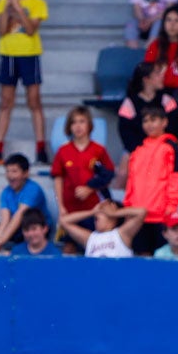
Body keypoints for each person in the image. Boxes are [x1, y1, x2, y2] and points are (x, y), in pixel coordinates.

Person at [0, 0, 49, 166]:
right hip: (9, 54)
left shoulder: (38, 3)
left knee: (34, 101)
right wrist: (7, 8)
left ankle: (41, 148)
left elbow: (31, 29)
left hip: (30, 55)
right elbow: (1, 30)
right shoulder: (4, 1)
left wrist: (19, 9)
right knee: (6, 102)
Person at [124, 105, 178, 256]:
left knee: (162, 259)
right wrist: (128, 207)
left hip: (161, 215)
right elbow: (131, 181)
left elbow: (177, 178)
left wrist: (171, 208)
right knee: (142, 258)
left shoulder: (172, 147)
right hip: (138, 215)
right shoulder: (138, 149)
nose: (149, 124)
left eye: (153, 120)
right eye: (145, 121)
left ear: (164, 122)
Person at [51, 106, 115, 249]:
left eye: (82, 121)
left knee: (96, 247)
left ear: (89, 125)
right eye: (74, 122)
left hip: (94, 209)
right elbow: (58, 179)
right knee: (68, 248)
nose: (78, 126)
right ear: (69, 126)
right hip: (70, 210)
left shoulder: (98, 150)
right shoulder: (63, 151)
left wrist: (90, 188)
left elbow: (108, 174)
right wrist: (60, 206)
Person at [0, 154, 53, 253]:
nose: (10, 176)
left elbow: (19, 216)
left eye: (14, 171)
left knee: (23, 231)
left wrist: (0, 242)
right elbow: (5, 219)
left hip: (34, 228)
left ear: (26, 173)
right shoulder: (6, 192)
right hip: (16, 227)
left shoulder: (33, 189)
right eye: (7, 171)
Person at [118, 62, 178, 153]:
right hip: (138, 150)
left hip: (165, 148)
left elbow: (176, 127)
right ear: (146, 79)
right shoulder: (129, 103)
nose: (162, 76)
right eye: (157, 74)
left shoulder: (166, 100)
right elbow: (126, 133)